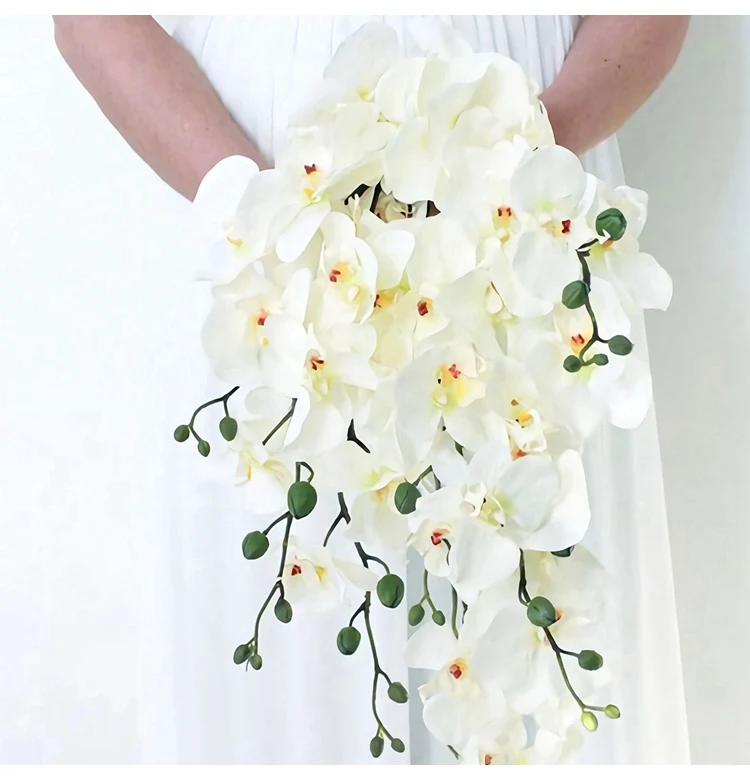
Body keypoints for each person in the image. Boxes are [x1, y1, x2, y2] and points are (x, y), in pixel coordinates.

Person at [52, 15, 692, 765]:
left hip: (528, 200)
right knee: (282, 686)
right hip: (255, 202)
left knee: (539, 623)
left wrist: (518, 164)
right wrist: (275, 223)